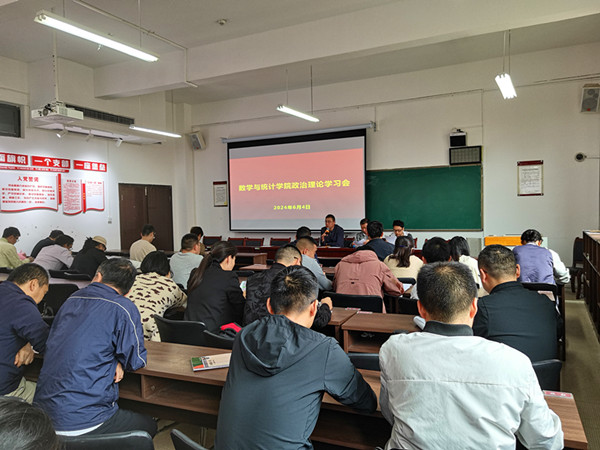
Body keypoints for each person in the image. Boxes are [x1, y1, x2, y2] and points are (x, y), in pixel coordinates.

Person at [379, 261, 563, 450]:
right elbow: (546, 440)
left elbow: (389, 412)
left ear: (421, 309)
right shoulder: (514, 362)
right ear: (474, 307)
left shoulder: (393, 349)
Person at [215, 266, 377, 449]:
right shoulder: (324, 349)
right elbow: (366, 402)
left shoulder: (243, 336)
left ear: (269, 305)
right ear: (314, 308)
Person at [33, 258, 156, 438]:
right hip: (87, 420)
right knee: (149, 426)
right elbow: (135, 360)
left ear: (97, 276)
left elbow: (61, 342)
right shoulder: (124, 307)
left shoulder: (71, 299)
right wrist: (117, 359)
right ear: (129, 291)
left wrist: (112, 358)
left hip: (42, 416)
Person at [474, 245, 559, 361]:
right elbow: (558, 332)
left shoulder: (482, 308)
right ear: (518, 270)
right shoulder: (546, 302)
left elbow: (470, 343)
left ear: (483, 275)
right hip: (546, 371)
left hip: (505, 372)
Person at [243, 244, 332, 327]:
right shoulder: (294, 282)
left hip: (249, 333)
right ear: (297, 261)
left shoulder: (252, 279)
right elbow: (319, 320)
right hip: (281, 334)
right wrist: (325, 305)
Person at [0, 264, 49, 402]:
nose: (41, 300)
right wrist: (31, 343)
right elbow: (47, 344)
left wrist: (27, 342)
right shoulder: (21, 304)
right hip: (5, 391)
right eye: (44, 293)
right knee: (51, 397)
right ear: (33, 284)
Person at [185, 241, 245, 332]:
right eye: (234, 260)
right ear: (228, 258)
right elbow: (240, 307)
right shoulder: (229, 276)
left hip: (188, 331)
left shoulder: (196, 273)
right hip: (213, 335)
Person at [128, 251, 187, 341]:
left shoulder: (132, 280)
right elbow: (186, 304)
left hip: (123, 326)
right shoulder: (169, 284)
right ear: (167, 269)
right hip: (148, 333)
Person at [334, 248, 403, 300]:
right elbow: (397, 290)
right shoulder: (380, 265)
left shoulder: (340, 265)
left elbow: (335, 287)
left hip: (341, 311)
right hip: (373, 312)